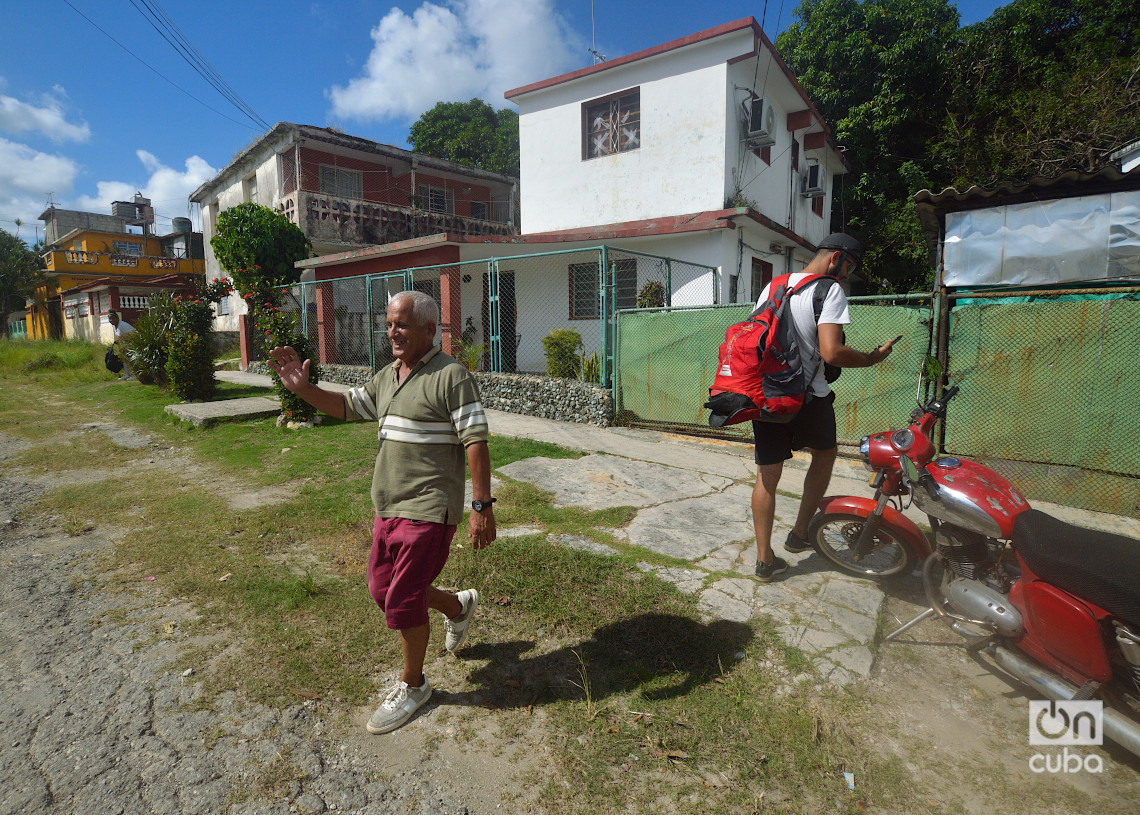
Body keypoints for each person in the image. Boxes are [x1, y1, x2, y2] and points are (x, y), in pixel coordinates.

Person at [267, 290, 496, 734]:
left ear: (429, 330)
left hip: (429, 508)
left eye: (402, 324)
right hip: (387, 504)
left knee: (403, 597)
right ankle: (456, 606)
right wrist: (304, 390)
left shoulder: (452, 377)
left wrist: (481, 506)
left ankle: (414, 685)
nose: (392, 331)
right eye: (390, 323)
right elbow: (348, 407)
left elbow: (477, 442)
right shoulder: (388, 376)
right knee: (382, 589)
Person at [752, 234, 899, 582]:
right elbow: (831, 353)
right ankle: (800, 533)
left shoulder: (773, 287)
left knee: (766, 477)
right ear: (835, 257)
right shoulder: (829, 290)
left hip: (768, 394)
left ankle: (763, 561)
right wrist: (872, 358)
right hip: (809, 397)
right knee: (825, 454)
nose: (846, 275)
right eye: (848, 266)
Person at [108, 311, 135, 380]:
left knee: (132, 359)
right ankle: (127, 374)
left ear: (117, 318)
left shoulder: (123, 325)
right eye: (109, 319)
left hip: (132, 343)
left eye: (112, 319)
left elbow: (132, 334)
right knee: (124, 359)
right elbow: (120, 336)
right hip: (124, 344)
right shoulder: (114, 326)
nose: (111, 321)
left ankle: (135, 375)